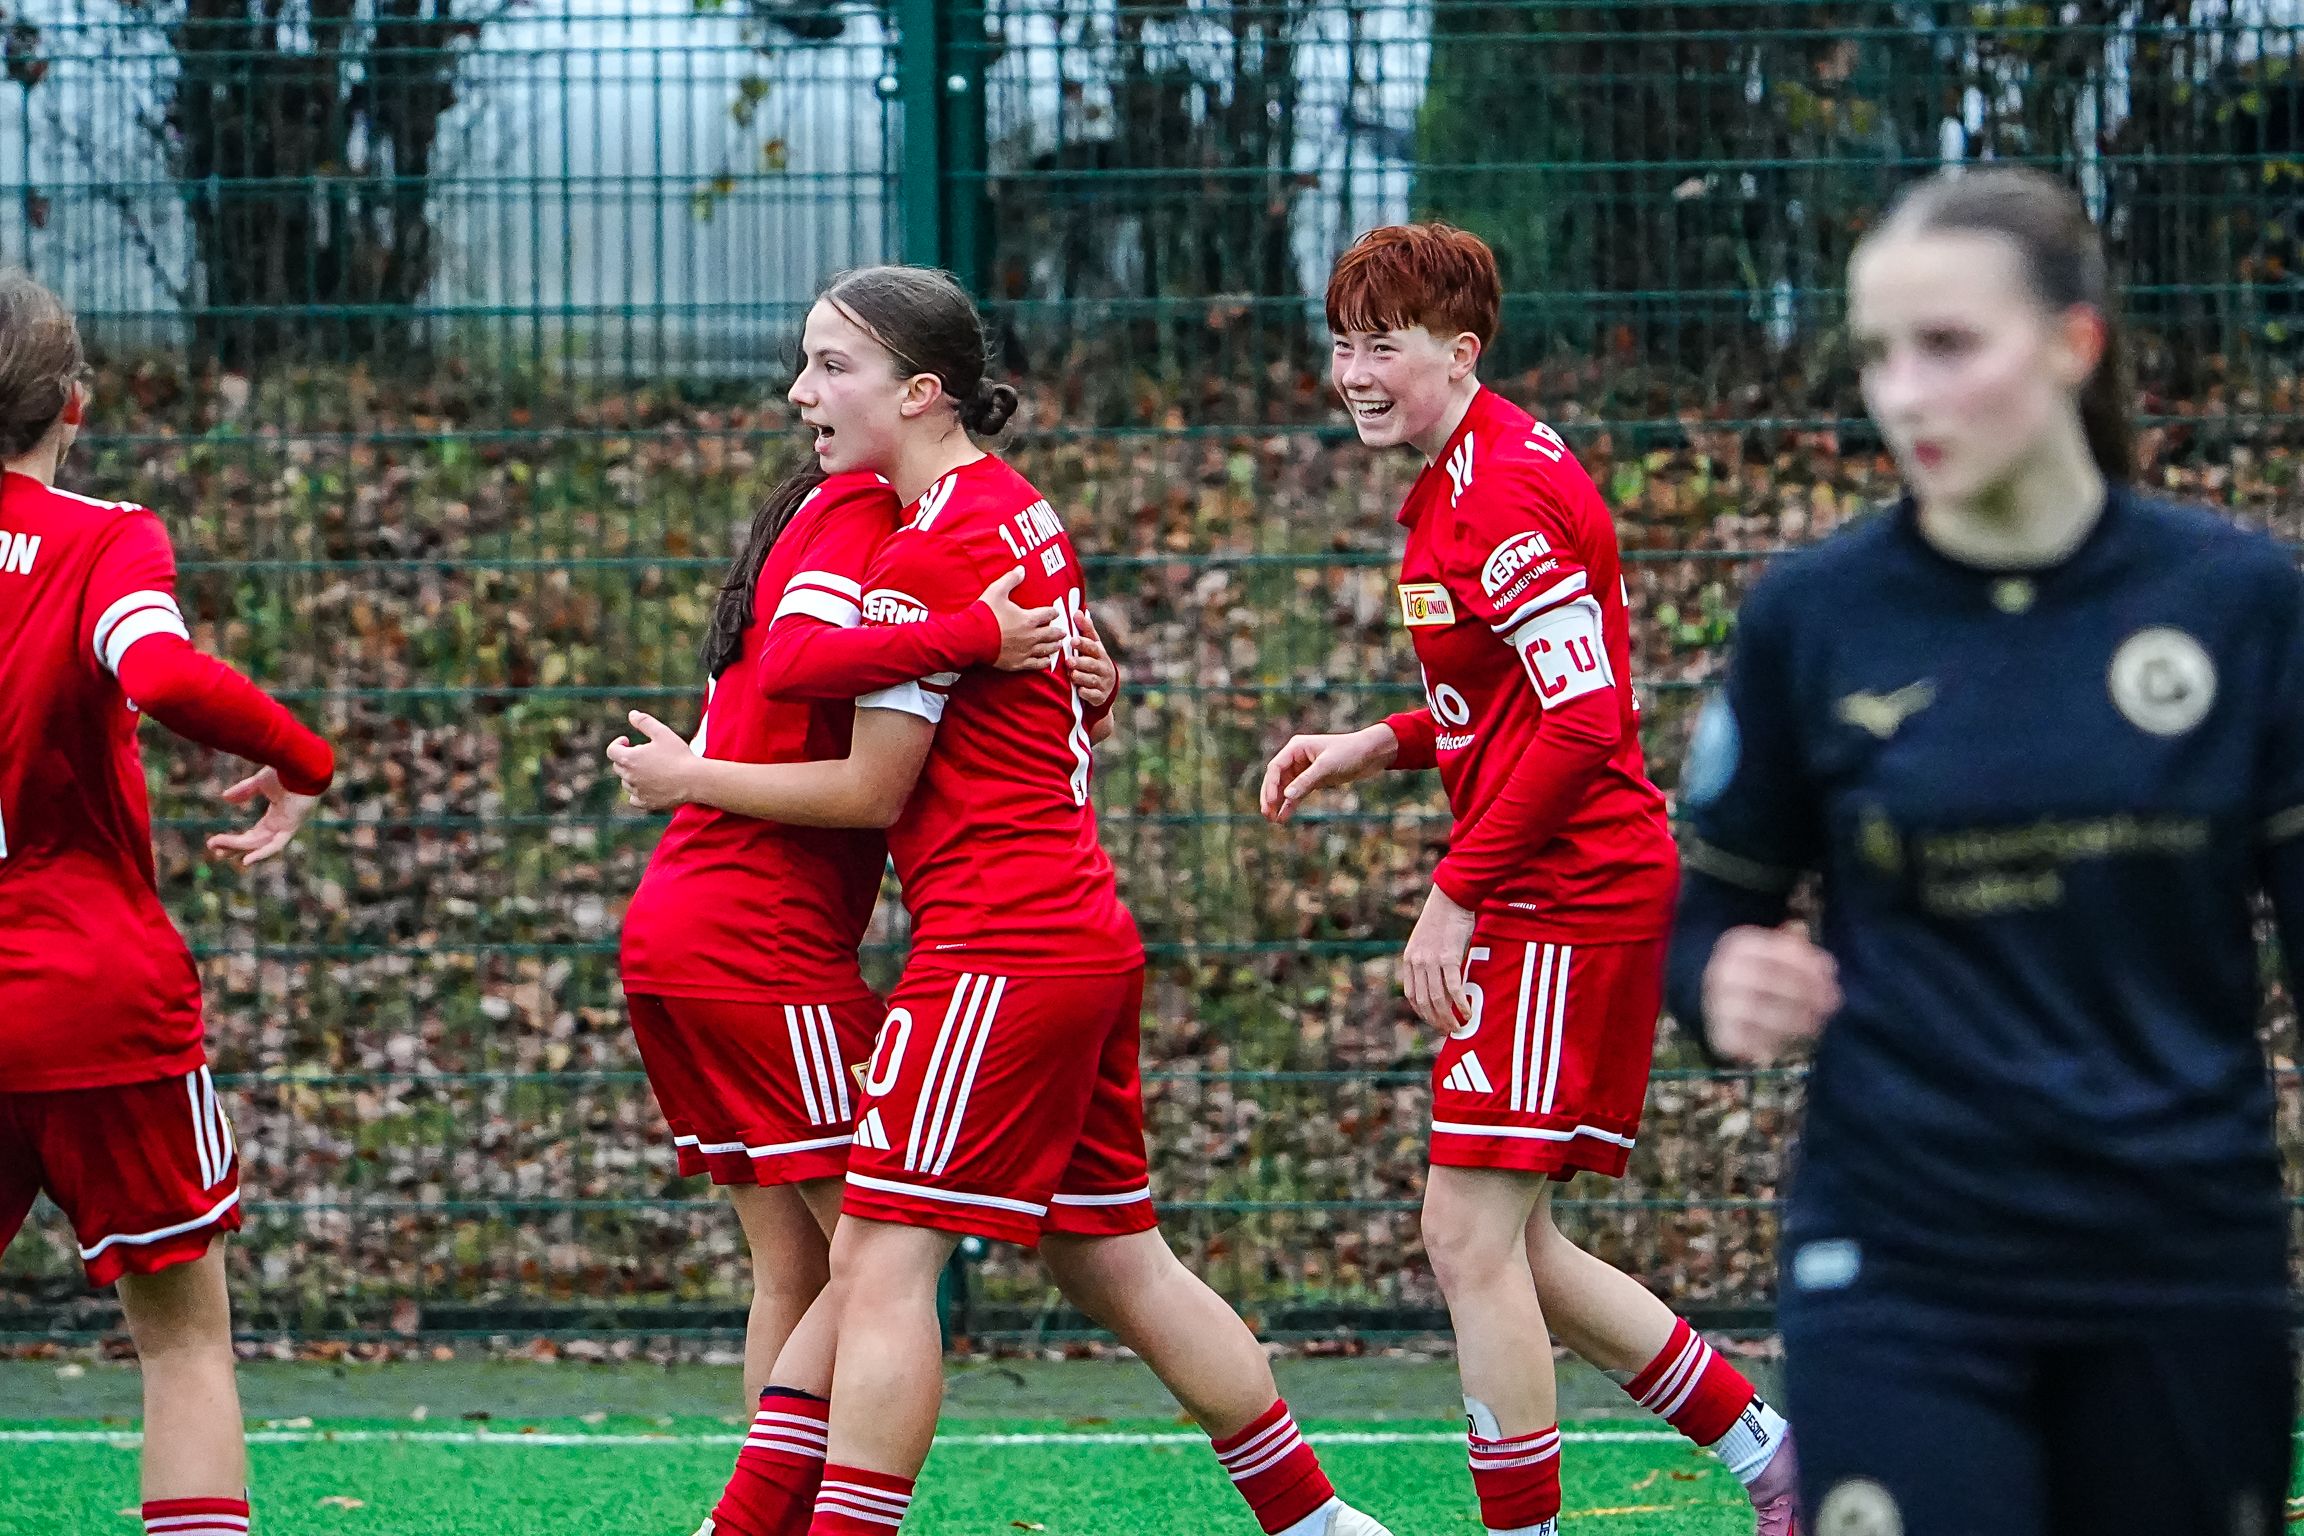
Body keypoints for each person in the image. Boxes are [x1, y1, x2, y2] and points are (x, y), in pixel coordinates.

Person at [606, 263, 1394, 1536]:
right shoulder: (1018, 509)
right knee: (1114, 1258)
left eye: (832, 366)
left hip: (999, 950)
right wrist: (1064, 674)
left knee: (875, 1261)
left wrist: (699, 773)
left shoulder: (931, 548)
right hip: (1077, 933)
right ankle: (1320, 1522)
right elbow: (1031, 705)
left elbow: (862, 764)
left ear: (921, 394)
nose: (801, 391)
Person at [1667, 165, 2301, 1535]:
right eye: (1878, 354)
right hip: (1903, 1253)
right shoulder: (1815, 618)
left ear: (2075, 344)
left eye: (1948, 345)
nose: (1905, 394)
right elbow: (1704, 910)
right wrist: (1719, 984)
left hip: (2179, 1249)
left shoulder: (2241, 606)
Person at [1259, 224, 1797, 1536]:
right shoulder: (1463, 473)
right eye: (1342, 345)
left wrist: (1455, 895)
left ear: (1462, 351)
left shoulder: (1500, 493)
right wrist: (1382, 741)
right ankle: (1778, 1458)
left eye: (1384, 346)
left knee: (1466, 1237)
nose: (1355, 373)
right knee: (1516, 1249)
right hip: (1552, 887)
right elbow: (1515, 698)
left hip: (1569, 897)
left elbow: (1584, 718)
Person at [618, 454, 1075, 1522]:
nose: (803, 393)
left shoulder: (841, 519)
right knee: (881, 1258)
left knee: (797, 1268)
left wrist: (1067, 679)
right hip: (757, 946)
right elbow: (818, 693)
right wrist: (977, 635)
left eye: (829, 374)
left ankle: (764, 1515)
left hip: (684, 929)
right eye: (818, 373)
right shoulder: (864, 508)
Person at [0, 269, 335, 1536]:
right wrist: (305, 758)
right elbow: (161, 671)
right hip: (90, 997)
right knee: (184, 1344)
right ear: (74, 405)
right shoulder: (102, 538)